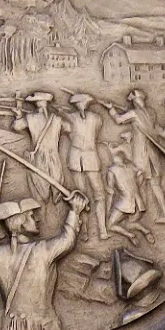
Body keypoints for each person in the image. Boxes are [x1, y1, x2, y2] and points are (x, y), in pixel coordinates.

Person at [0, 191, 90, 330]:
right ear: (21, 222)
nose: (37, 219)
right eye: (32, 216)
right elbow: (67, 240)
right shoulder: (42, 250)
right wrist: (74, 211)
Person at [106, 88, 165, 223]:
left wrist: (111, 109)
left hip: (141, 154)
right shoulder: (151, 112)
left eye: (134, 101)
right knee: (155, 185)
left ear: (135, 100)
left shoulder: (134, 113)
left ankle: (133, 212)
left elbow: (119, 120)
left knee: (135, 183)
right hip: (152, 153)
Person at [62, 92, 108, 238]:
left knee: (99, 194)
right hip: (76, 159)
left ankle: (102, 229)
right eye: (79, 102)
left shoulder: (96, 118)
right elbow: (65, 129)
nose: (82, 104)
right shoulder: (69, 118)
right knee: (81, 196)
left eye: (84, 102)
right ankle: (84, 229)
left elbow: (96, 131)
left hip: (91, 157)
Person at [12, 91, 66, 205]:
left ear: (36, 103)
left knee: (41, 187)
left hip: (41, 157)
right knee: (56, 185)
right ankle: (54, 206)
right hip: (52, 157)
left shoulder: (32, 118)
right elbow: (69, 128)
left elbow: (17, 126)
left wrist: (18, 116)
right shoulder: (57, 119)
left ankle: (44, 206)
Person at [105, 140, 153, 244]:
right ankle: (145, 231)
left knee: (110, 225)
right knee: (130, 224)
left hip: (125, 203)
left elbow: (111, 192)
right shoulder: (131, 167)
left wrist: (108, 209)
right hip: (139, 203)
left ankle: (130, 235)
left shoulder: (112, 170)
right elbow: (141, 174)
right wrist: (136, 187)